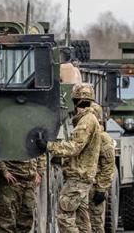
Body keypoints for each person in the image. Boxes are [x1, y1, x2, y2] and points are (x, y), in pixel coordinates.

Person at [36, 83, 101, 233]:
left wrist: (48, 146)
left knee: (64, 217)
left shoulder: (86, 121)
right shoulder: (89, 119)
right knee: (83, 221)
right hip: (83, 178)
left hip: (78, 179)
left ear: (76, 100)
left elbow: (74, 147)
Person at [0, 155, 46, 233]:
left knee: (26, 222)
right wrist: (3, 170)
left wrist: (39, 172)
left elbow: (42, 151)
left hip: (29, 184)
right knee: (7, 222)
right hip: (10, 182)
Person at [88, 103, 116, 233]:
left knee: (96, 224)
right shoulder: (84, 134)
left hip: (95, 188)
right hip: (83, 187)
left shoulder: (103, 138)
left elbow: (108, 166)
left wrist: (101, 188)